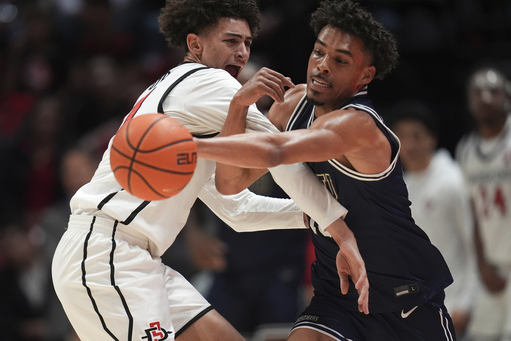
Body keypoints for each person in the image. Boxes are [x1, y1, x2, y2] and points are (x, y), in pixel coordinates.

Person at [51, 1, 364, 341]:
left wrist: (311, 217)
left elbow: (236, 210)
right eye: (231, 41)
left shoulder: (189, 102)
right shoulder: (207, 82)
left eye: (247, 43)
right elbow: (279, 154)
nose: (242, 53)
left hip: (133, 258)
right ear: (195, 45)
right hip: (107, 255)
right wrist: (340, 228)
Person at [195, 0, 456, 339]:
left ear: (365, 76)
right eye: (319, 52)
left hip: (405, 297)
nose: (322, 66)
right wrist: (238, 106)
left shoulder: (358, 125)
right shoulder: (292, 105)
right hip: (338, 296)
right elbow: (230, 182)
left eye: (340, 60)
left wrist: (186, 146)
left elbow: (276, 151)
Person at [388, 99, 478, 338]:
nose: (409, 144)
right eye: (402, 136)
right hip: (420, 310)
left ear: (432, 139)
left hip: (457, 306)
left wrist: (465, 304)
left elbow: (476, 246)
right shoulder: (400, 187)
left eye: (416, 136)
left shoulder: (452, 181)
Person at [455, 66, 511, 341]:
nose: (485, 97)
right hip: (491, 267)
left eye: (493, 91)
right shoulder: (466, 150)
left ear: (507, 97)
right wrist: (482, 265)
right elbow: (474, 214)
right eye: (478, 92)